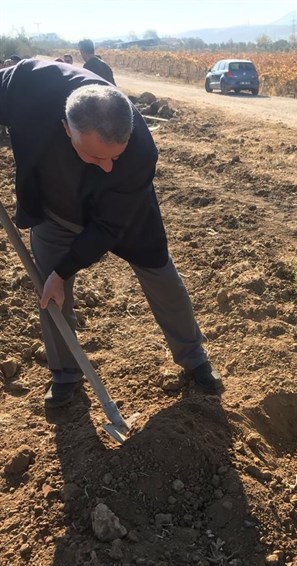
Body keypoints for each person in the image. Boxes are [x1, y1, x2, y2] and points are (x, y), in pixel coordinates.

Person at [0, 58, 222, 407]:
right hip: (54, 209)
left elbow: (108, 227)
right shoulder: (28, 83)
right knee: (51, 295)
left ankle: (194, 357)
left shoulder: (140, 152)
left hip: (125, 218)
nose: (107, 166)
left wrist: (63, 270)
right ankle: (65, 375)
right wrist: (55, 277)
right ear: (66, 128)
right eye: (95, 156)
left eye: (114, 158)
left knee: (162, 277)